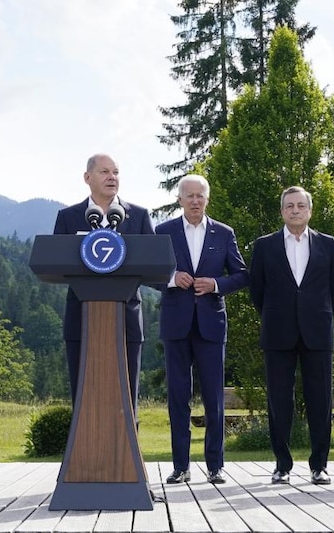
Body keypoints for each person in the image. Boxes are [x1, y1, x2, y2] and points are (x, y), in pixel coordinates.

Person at [154, 175, 248, 485]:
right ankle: (180, 467)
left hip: (211, 325)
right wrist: (171, 278)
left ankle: (215, 467)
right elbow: (149, 274)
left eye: (200, 195)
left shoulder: (224, 233)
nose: (195, 200)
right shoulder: (163, 232)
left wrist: (216, 284)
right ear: (179, 199)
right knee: (178, 398)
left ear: (207, 199)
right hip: (176, 325)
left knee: (214, 399)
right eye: (189, 195)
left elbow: (242, 275)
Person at [249, 186, 334, 486]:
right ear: (282, 211)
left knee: (321, 400)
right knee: (279, 401)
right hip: (278, 331)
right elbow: (257, 291)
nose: (295, 210)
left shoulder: (327, 244)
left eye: (301, 206)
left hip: (318, 331)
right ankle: (282, 465)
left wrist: (315, 312)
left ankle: (320, 466)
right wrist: (278, 313)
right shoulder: (264, 246)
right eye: (289, 206)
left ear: (310, 211)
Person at [52, 153, 154, 415]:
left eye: (116, 172)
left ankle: (128, 440)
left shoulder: (139, 216)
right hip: (81, 317)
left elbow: (155, 263)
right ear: (87, 177)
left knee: (126, 396)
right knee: (84, 394)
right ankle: (83, 440)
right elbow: (55, 262)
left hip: (126, 318)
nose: (112, 177)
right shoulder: (68, 217)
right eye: (105, 172)